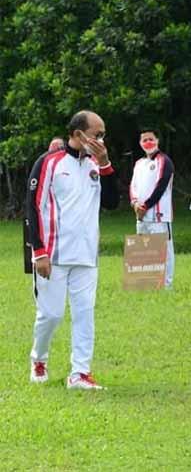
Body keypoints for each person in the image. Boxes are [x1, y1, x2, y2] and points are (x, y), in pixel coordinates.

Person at [27, 110, 119, 390]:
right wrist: (39, 251)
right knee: (51, 314)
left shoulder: (96, 164)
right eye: (97, 134)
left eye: (103, 135)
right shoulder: (49, 162)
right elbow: (32, 207)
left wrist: (105, 164)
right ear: (78, 134)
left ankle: (80, 373)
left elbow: (113, 202)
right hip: (53, 255)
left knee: (84, 313)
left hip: (86, 255)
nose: (101, 140)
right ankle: (38, 358)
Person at [129, 127, 175, 290]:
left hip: (159, 216)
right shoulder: (139, 163)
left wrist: (146, 205)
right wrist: (135, 203)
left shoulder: (164, 160)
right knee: (144, 250)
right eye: (144, 140)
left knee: (164, 251)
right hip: (141, 216)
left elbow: (161, 186)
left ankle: (166, 286)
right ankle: (145, 283)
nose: (148, 142)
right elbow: (133, 185)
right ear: (140, 143)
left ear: (157, 141)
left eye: (151, 139)